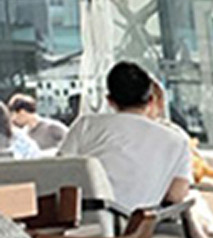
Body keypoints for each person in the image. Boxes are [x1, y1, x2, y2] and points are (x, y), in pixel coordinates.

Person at [54, 61, 192, 215]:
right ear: (151, 100)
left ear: (110, 100)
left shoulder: (85, 125)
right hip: (137, 226)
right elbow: (175, 196)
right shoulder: (177, 142)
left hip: (82, 222)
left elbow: (59, 173)